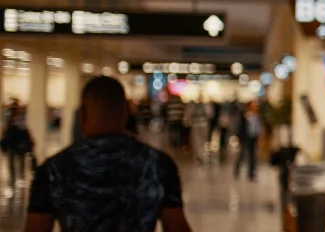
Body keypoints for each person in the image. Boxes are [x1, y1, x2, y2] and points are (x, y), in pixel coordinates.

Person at [24, 76, 192, 232]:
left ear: (82, 114)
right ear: (126, 112)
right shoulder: (158, 164)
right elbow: (176, 227)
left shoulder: (54, 169)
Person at [0, 112, 35, 185]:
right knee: (16, 163)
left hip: (16, 149)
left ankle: (16, 178)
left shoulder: (18, 129)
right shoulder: (18, 129)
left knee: (16, 163)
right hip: (15, 148)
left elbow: (5, 139)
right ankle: (17, 177)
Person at [234, 102, 261, 181]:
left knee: (252, 156)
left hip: (253, 138)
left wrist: (259, 136)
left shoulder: (256, 116)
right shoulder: (244, 116)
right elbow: (240, 128)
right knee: (242, 155)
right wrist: (240, 138)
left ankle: (251, 173)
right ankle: (237, 169)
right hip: (246, 138)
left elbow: (258, 127)